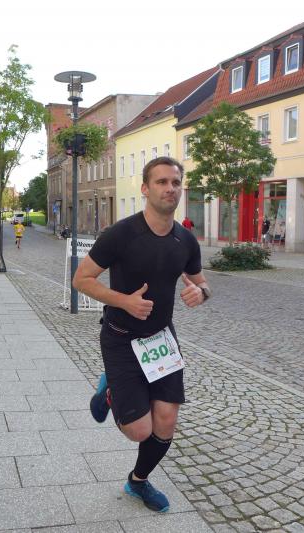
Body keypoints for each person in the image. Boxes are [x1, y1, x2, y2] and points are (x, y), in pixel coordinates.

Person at [73, 156, 211, 513]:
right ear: (145, 189)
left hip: (161, 340)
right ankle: (110, 391)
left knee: (166, 422)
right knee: (139, 430)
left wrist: (201, 293)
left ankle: (138, 481)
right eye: (162, 182)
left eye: (176, 182)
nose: (170, 188)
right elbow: (81, 279)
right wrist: (124, 301)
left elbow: (202, 283)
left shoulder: (185, 240)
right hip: (120, 337)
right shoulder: (121, 234)